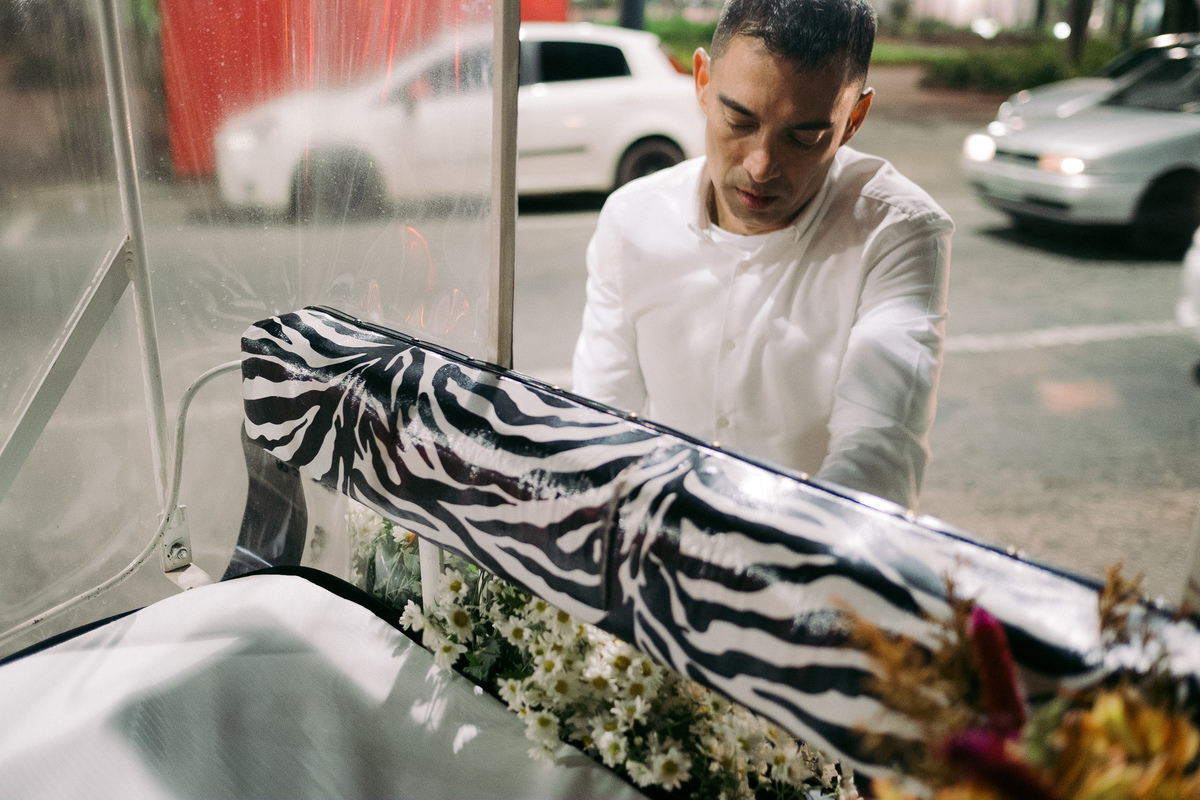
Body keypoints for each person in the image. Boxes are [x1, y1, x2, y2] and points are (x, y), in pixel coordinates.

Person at [570, 0, 953, 510]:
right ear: (702, 81)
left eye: (804, 137)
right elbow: (600, 423)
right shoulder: (632, 218)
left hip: (808, 550)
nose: (762, 166)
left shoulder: (897, 231)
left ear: (854, 119)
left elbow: (878, 455)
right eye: (739, 120)